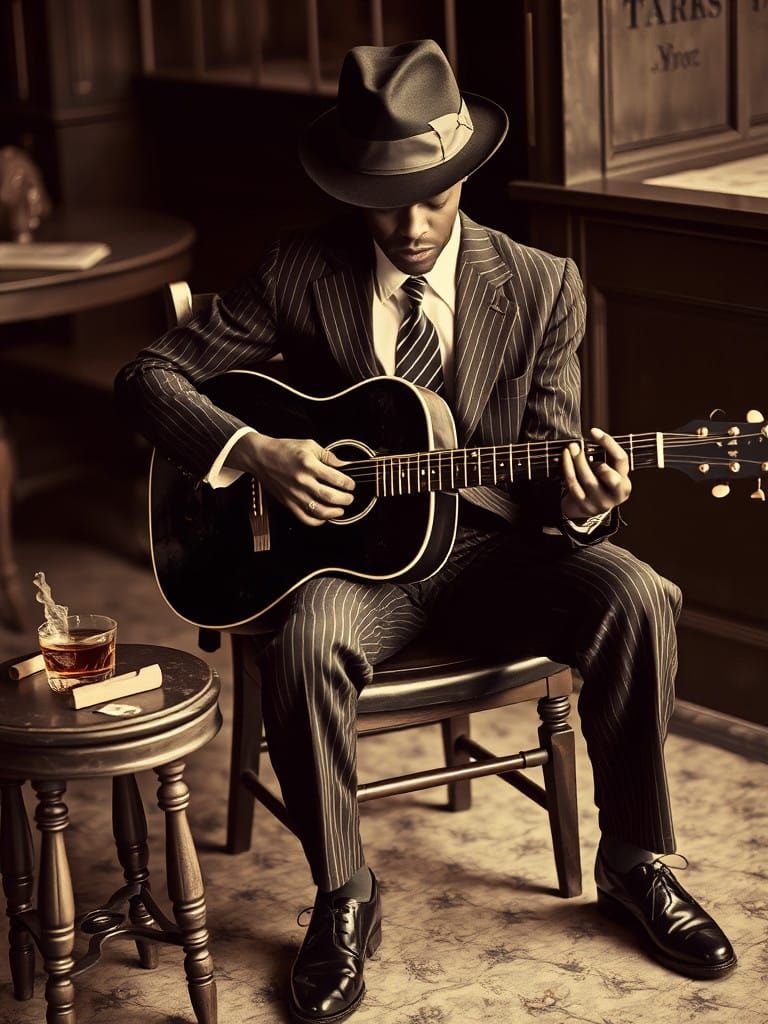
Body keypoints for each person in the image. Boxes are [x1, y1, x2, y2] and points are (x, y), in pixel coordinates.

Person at [116, 39, 736, 1024]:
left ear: (463, 179)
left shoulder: (542, 286)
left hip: (499, 556)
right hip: (358, 570)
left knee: (639, 591)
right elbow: (148, 377)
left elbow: (552, 465)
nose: (409, 225)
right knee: (308, 640)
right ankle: (345, 892)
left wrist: (586, 501)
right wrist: (258, 450)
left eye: (433, 198)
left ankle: (632, 863)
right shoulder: (297, 269)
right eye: (385, 197)